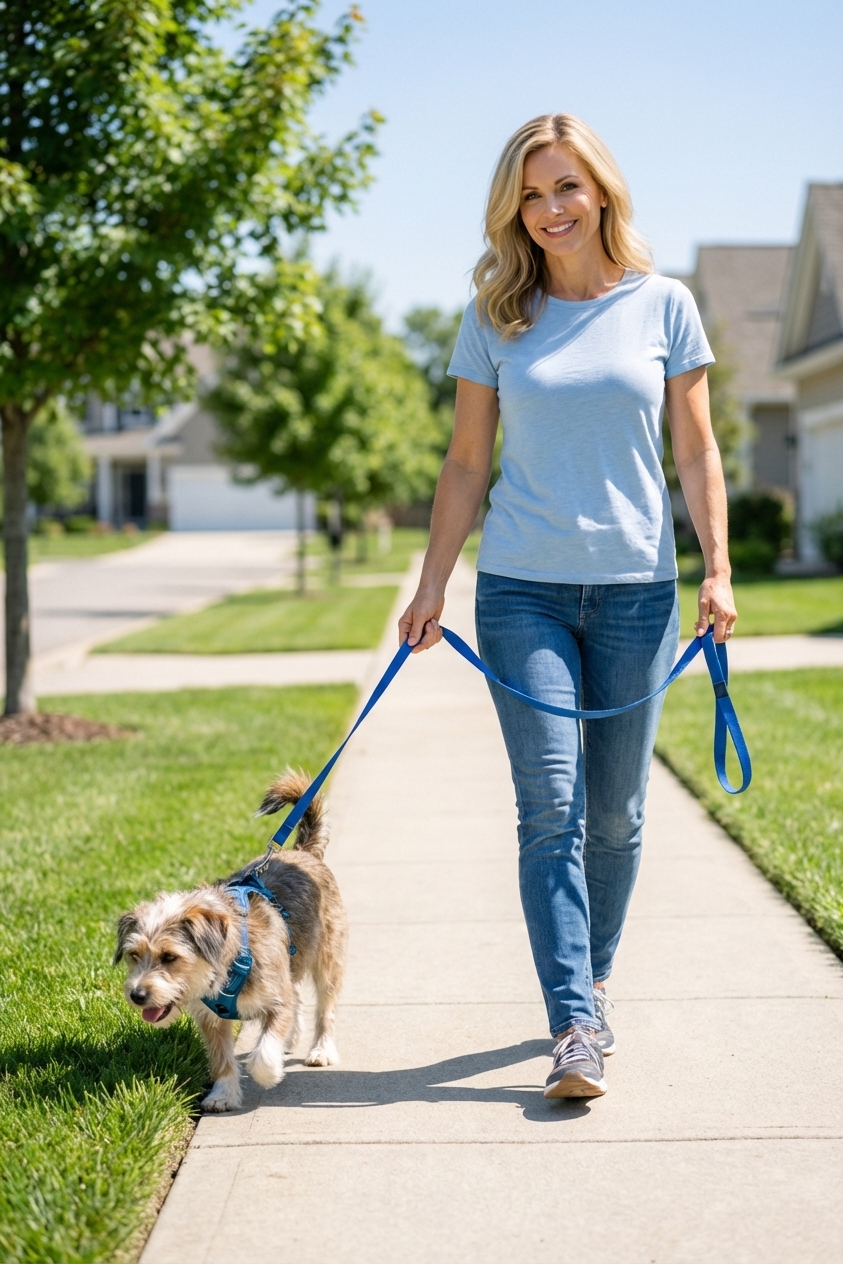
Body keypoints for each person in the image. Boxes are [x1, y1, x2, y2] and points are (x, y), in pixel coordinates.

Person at [399, 113, 737, 1100]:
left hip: (638, 591)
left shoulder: (664, 305)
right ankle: (576, 1024)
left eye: (565, 188)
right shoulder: (495, 312)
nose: (549, 210)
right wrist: (431, 585)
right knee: (550, 808)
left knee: (618, 814)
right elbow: (466, 462)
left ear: (601, 193)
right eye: (531, 194)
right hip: (522, 592)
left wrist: (717, 567)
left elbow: (698, 449)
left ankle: (593, 977)